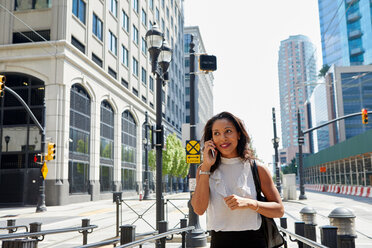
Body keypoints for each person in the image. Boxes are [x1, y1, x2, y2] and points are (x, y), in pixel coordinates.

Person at [191, 112, 284, 248]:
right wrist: (206, 166)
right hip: (220, 242)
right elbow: (199, 209)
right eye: (216, 133)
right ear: (211, 139)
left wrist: (249, 203)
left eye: (228, 131)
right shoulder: (204, 170)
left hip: (255, 241)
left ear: (239, 134)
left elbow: (279, 210)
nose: (222, 138)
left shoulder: (257, 168)